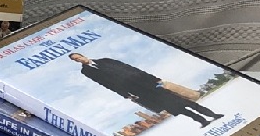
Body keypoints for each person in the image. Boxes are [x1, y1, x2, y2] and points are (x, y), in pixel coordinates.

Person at [68, 52, 223, 128]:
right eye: (75, 60)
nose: (78, 59)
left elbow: (129, 67)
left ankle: (212, 115)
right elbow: (106, 84)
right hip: (135, 90)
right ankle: (202, 121)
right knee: (173, 108)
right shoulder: (86, 72)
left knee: (180, 101)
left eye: (78, 57)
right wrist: (125, 95)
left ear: (83, 55)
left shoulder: (105, 60)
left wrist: (155, 79)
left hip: (145, 82)